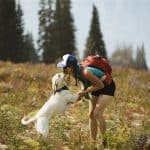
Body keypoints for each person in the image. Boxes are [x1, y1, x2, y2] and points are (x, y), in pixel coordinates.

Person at [57, 54, 116, 146]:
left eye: (64, 67)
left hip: (107, 86)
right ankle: (93, 143)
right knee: (91, 115)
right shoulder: (75, 72)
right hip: (96, 86)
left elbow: (101, 85)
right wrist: (81, 92)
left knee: (97, 113)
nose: (63, 69)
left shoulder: (86, 72)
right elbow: (84, 84)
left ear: (71, 67)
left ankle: (105, 142)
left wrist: (84, 91)